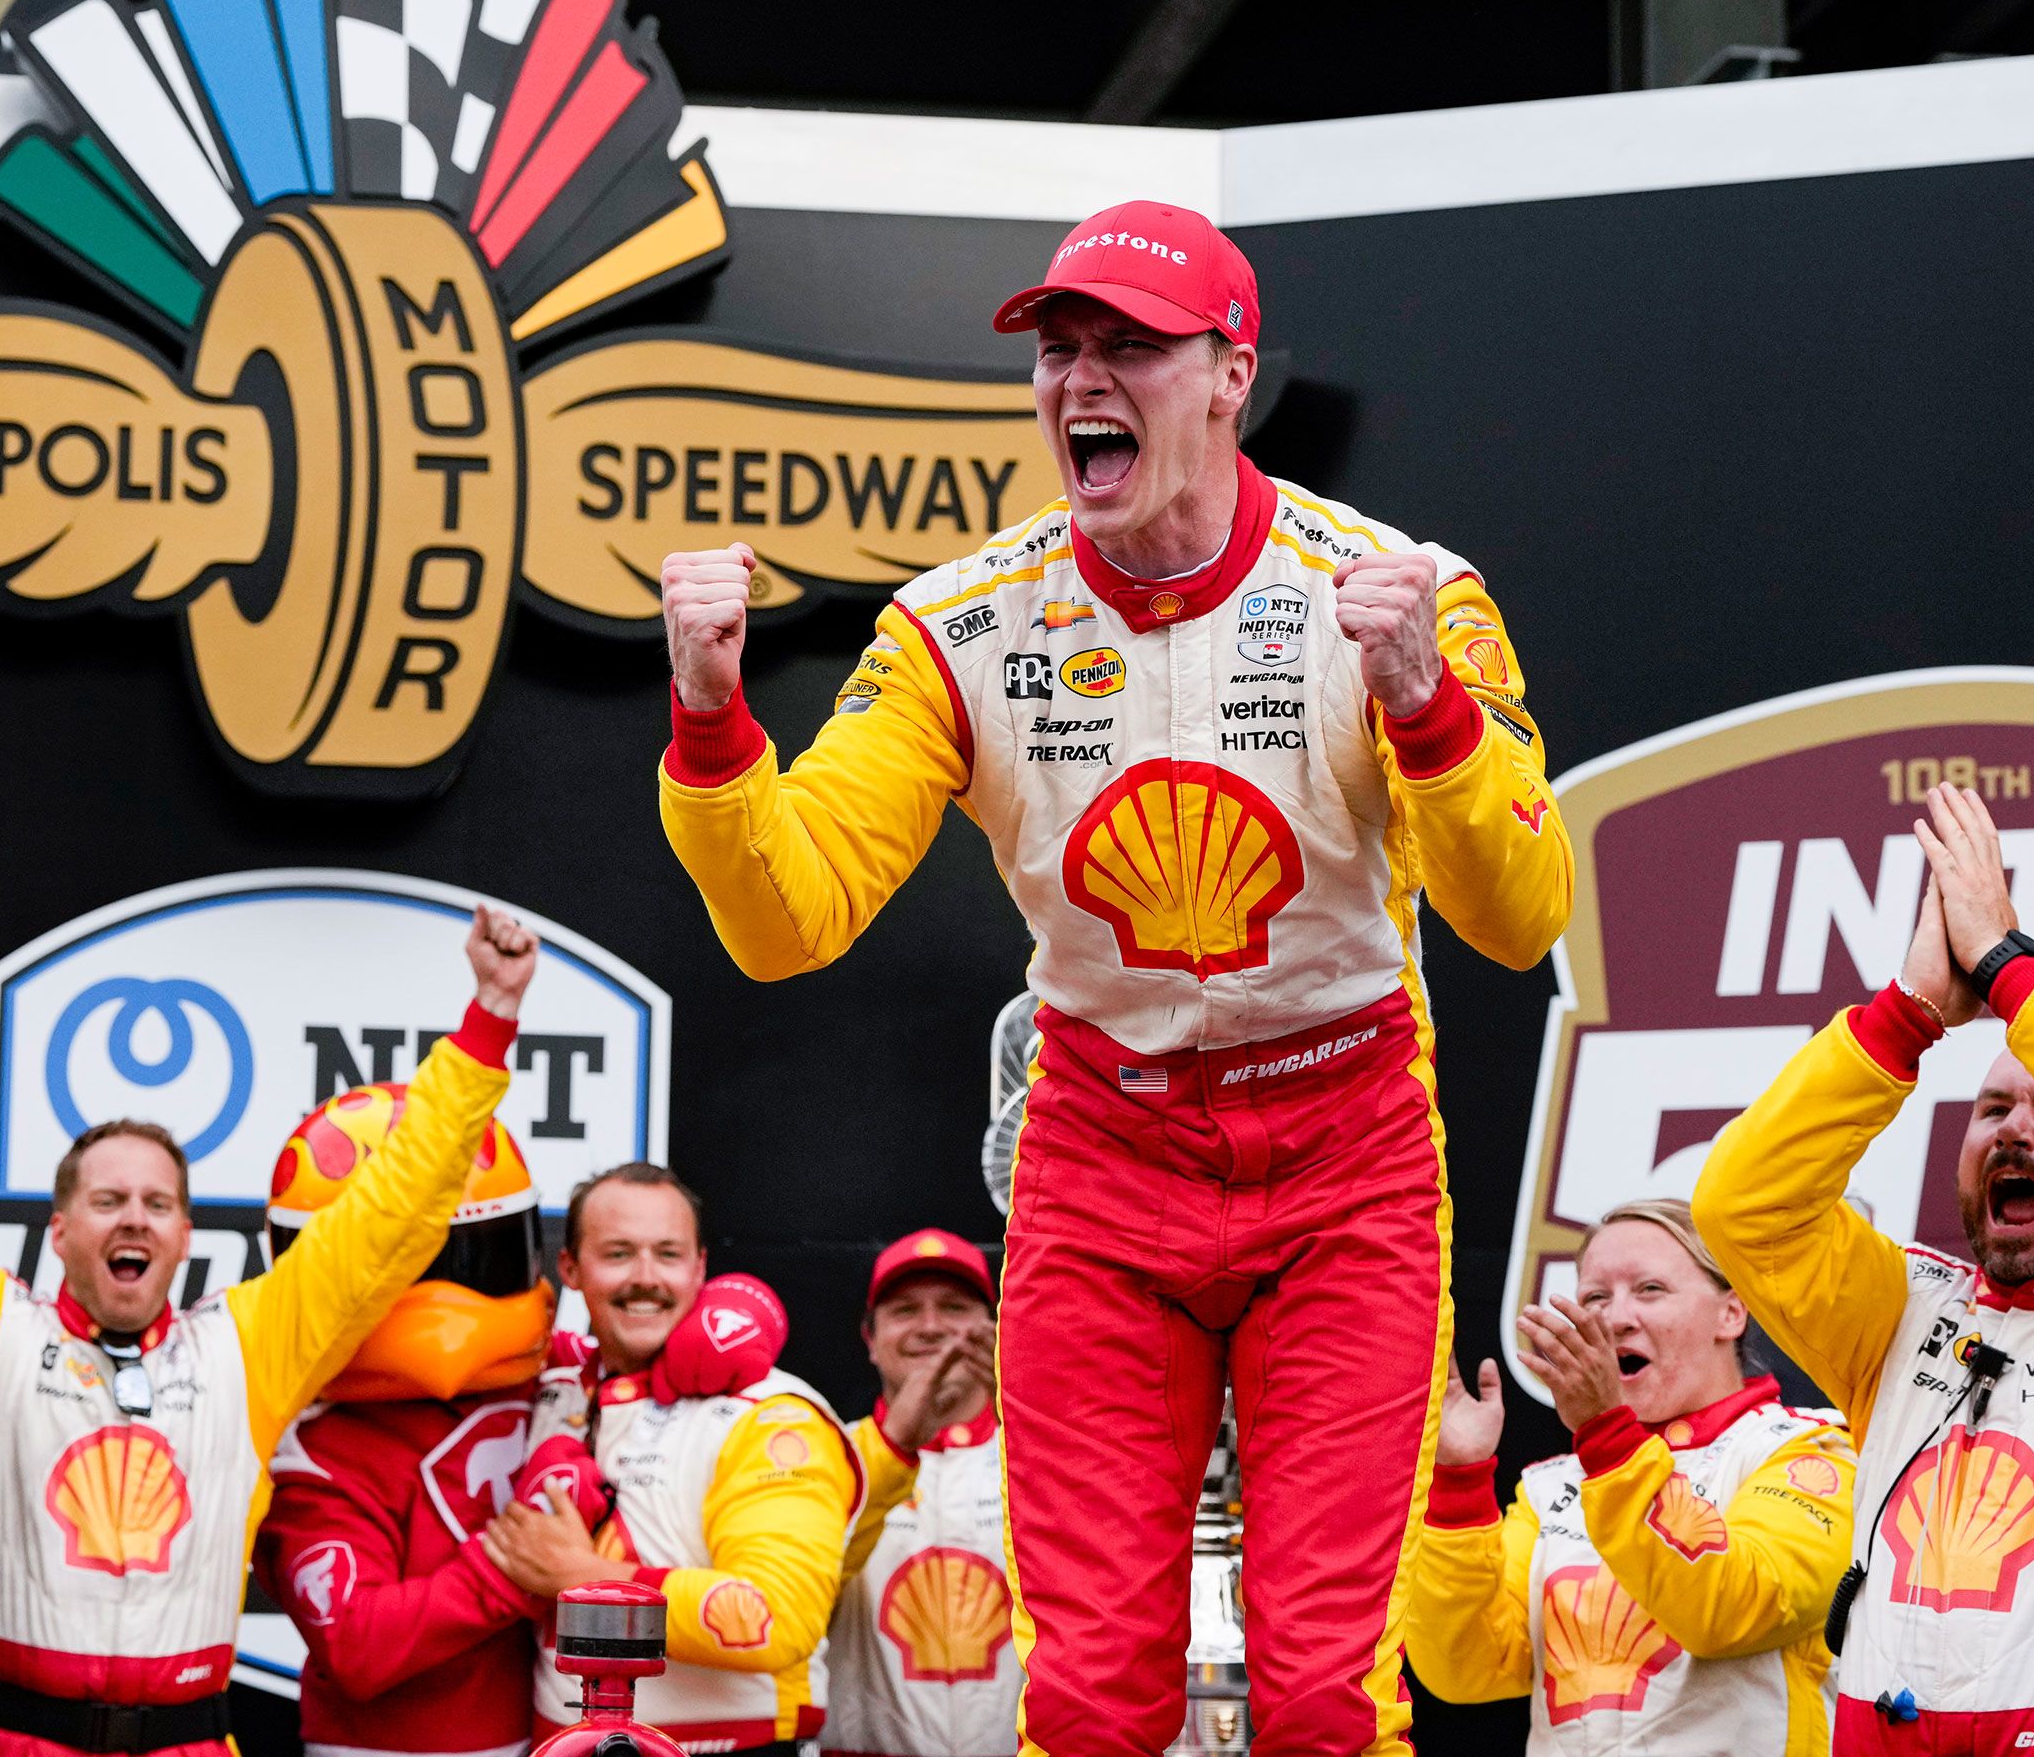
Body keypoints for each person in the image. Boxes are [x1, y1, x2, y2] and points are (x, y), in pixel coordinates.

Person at [656, 201, 1574, 1755]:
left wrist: (1423, 703)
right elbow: (788, 919)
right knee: (1086, 1696)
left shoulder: (1401, 592)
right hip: (1102, 1146)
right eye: (1060, 350)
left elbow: (1520, 915)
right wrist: (709, 719)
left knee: (1319, 1695)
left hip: (1347, 1145)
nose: (1085, 378)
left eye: (1130, 347)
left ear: (1231, 374)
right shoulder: (961, 621)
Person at [0, 905, 543, 1757]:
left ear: (185, 1234)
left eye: (157, 1204)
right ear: (58, 1230)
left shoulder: (246, 1348)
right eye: (108, 1201)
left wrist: (490, 1017)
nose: (135, 1220)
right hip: (3, 1736)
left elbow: (394, 1211)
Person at [1696, 783, 2034, 1754]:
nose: (2014, 1127)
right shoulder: (1903, 1307)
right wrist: (1904, 1018)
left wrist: (2007, 965)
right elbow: (1740, 1205)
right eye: (1991, 1108)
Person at [1404, 1198, 1855, 1749]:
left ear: (1731, 1313)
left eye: (1650, 1290)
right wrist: (1460, 1483)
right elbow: (1465, 1669)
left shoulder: (1809, 1449)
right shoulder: (1553, 1487)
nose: (1616, 1318)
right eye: (1596, 1296)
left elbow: (1732, 1609)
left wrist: (1607, 1438)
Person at [496, 1164, 858, 1755]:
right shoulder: (549, 1386)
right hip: (564, 1744)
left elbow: (777, 1616)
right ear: (569, 1269)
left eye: (667, 1255)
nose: (645, 1279)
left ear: (699, 1269)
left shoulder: (770, 1412)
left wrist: (582, 1579)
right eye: (617, 1253)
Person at [254, 1083, 557, 1757]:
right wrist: (517, 1569)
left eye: (475, 1254)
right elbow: (358, 1645)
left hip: (549, 1735)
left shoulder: (559, 1378)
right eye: (410, 1265)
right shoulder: (314, 1451)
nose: (445, 1293)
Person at [823, 1230, 1010, 1757]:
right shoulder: (831, 1453)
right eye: (905, 1310)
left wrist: (1028, 1417)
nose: (931, 1328)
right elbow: (805, 1590)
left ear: (995, 1331)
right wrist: (894, 1446)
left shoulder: (1045, 1461)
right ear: (870, 1339)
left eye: (953, 1307)